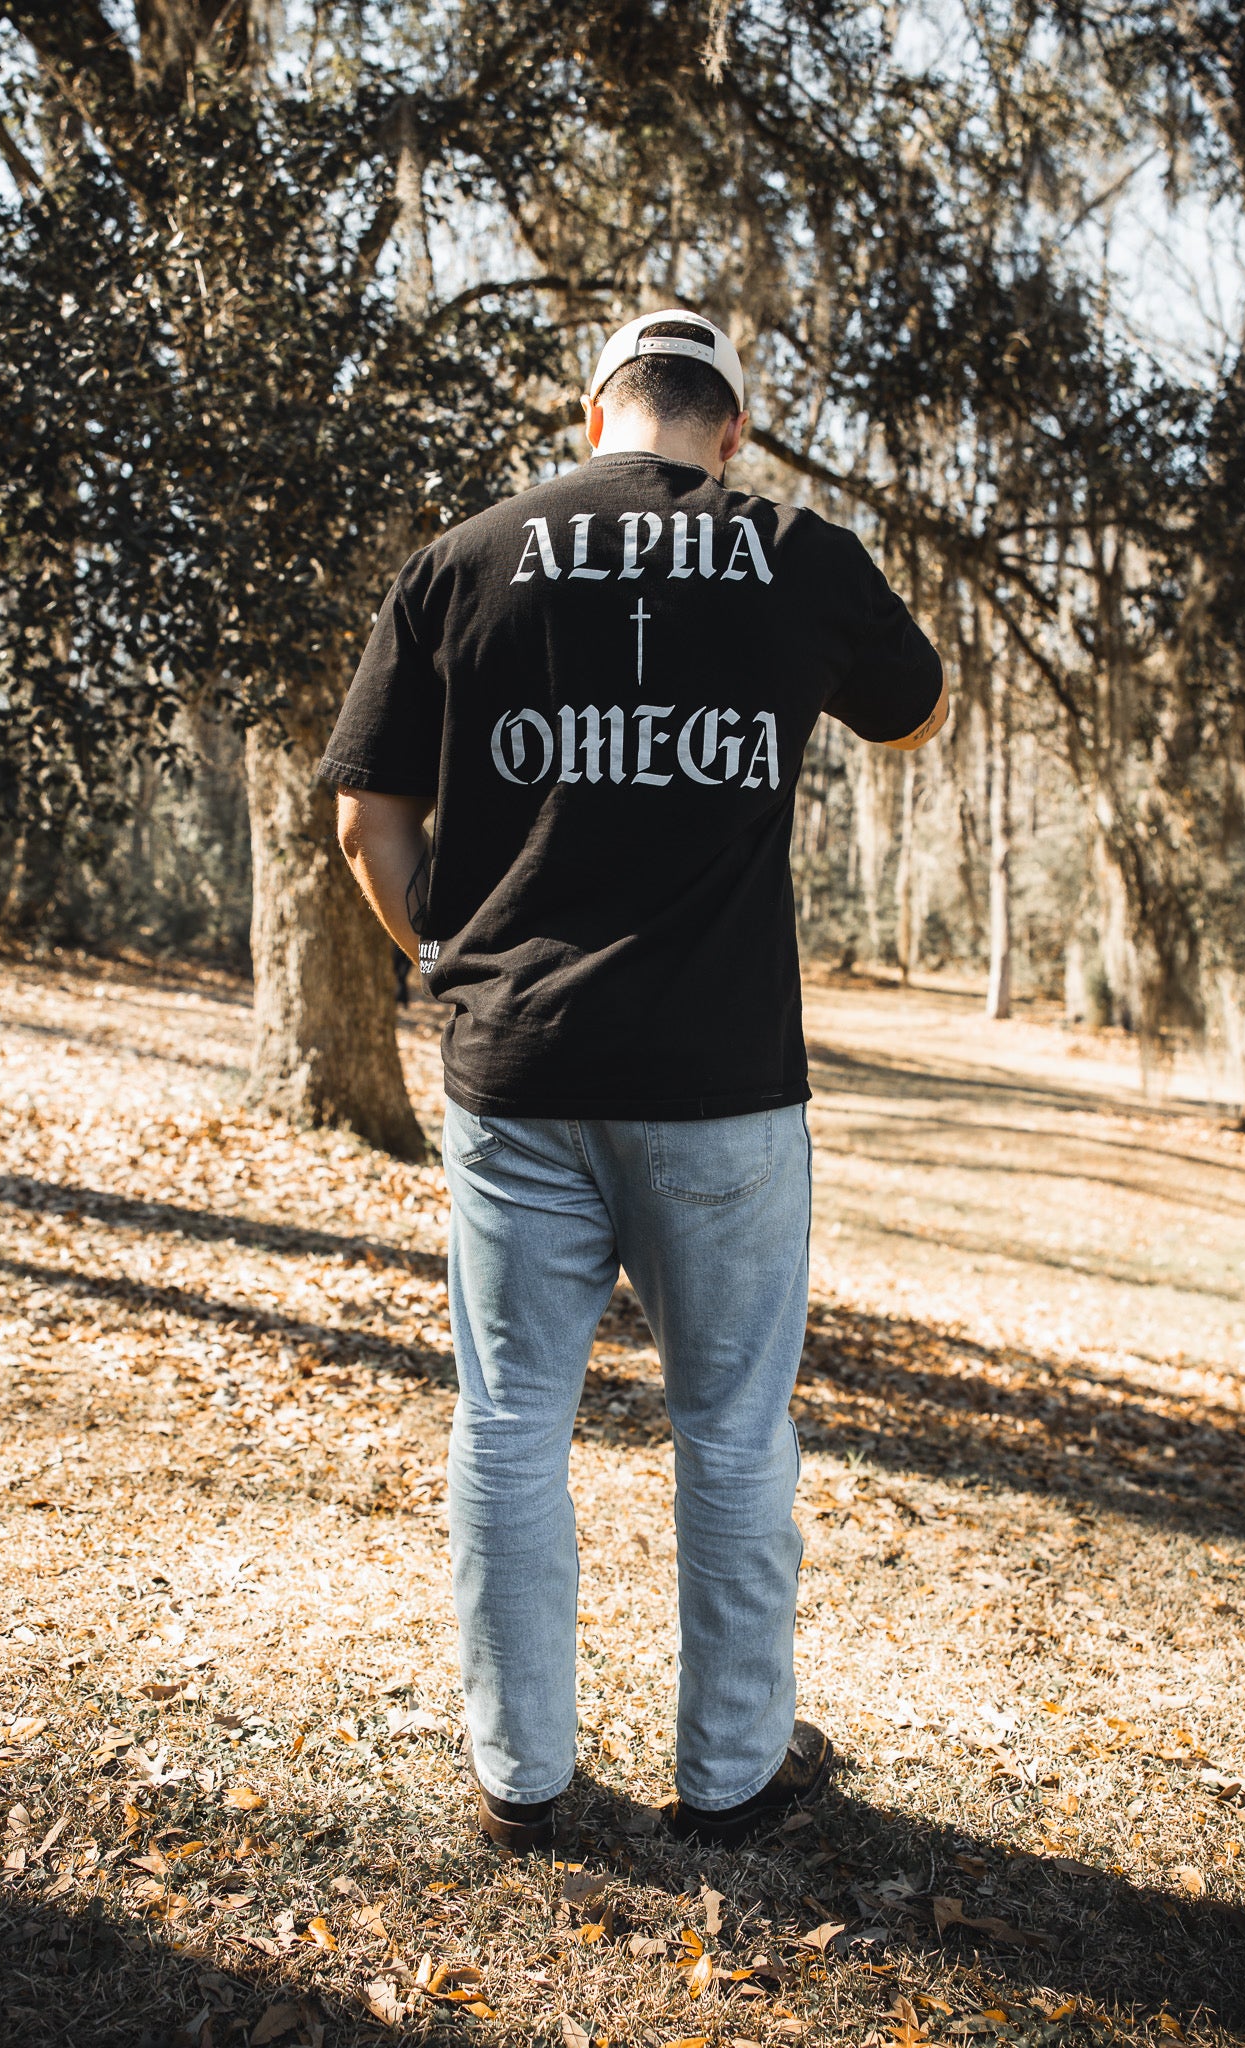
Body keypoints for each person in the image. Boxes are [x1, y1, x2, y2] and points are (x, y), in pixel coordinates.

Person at [319, 311, 946, 1853]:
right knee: (731, 1430)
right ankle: (729, 1782)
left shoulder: (462, 558)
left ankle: (521, 1780)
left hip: (515, 1068)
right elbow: (914, 712)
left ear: (591, 409)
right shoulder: (795, 549)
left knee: (510, 1418)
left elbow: (365, 826)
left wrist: (451, 954)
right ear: (728, 429)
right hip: (721, 1081)